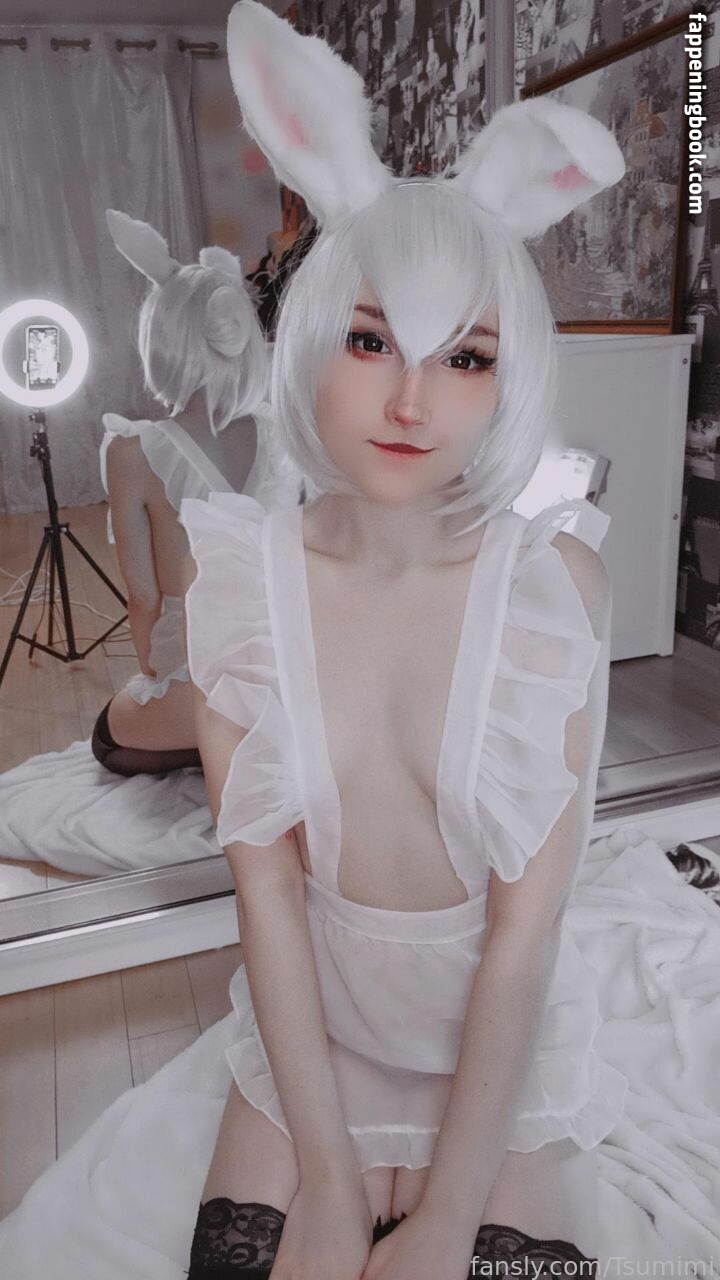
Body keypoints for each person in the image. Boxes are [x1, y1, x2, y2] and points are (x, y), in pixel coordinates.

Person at [180, 4, 629, 1278]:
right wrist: (330, 1178)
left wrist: (446, 1206)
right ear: (315, 334)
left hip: (492, 1049)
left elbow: (526, 927)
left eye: (466, 357)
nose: (413, 399)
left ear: (508, 376)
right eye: (372, 340)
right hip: (311, 1041)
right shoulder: (244, 588)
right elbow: (267, 891)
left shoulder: (552, 592)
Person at [91, 209, 299, 777]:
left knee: (108, 740)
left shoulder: (131, 450)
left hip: (203, 676)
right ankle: (255, 740)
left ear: (160, 339)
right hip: (286, 670)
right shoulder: (282, 435)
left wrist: (153, 680)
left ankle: (218, 741)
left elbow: (143, 598)